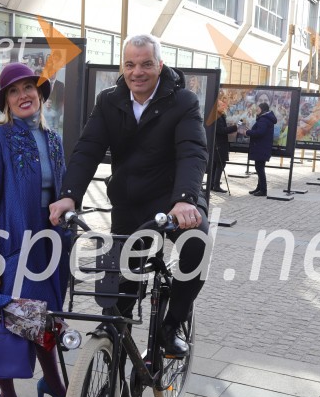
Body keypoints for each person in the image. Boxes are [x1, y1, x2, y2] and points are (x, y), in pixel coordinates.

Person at [49, 33, 209, 359]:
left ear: (159, 65)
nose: (138, 72)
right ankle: (111, 377)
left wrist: (185, 200)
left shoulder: (183, 101)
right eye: (131, 64)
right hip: (130, 204)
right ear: (124, 66)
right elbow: (88, 149)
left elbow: (192, 151)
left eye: (146, 64)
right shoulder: (109, 99)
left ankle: (171, 325)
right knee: (120, 294)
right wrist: (69, 195)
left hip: (174, 201)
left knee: (197, 247)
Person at [0, 62, 69, 397]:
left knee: (44, 321)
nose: (24, 95)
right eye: (14, 90)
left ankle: (53, 382)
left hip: (47, 250)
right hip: (10, 250)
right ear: (6, 101)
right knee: (7, 326)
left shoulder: (53, 138)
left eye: (30, 87)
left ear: (41, 95)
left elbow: (61, 194)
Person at [239, 102, 276, 197]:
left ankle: (263, 190)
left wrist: (247, 132)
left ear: (263, 110)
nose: (257, 111)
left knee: (259, 168)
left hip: (261, 147)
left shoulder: (264, 119)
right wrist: (250, 131)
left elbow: (260, 132)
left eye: (258, 109)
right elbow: (259, 131)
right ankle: (259, 188)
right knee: (260, 167)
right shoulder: (265, 118)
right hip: (262, 147)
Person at [212, 95, 237, 193]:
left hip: (220, 143)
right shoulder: (217, 117)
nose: (224, 107)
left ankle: (213, 184)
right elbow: (221, 130)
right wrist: (234, 128)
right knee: (220, 164)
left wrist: (235, 125)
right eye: (222, 106)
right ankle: (216, 185)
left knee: (217, 164)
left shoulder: (220, 116)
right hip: (219, 144)